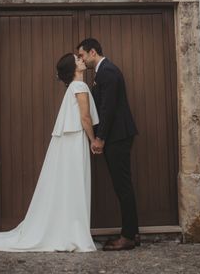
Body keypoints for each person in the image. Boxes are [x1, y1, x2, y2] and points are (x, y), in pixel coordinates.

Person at [0, 53, 99, 252]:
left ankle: (69, 229)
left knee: (68, 183)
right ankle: (74, 231)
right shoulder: (80, 87)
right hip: (76, 140)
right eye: (78, 59)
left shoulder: (72, 89)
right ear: (73, 68)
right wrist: (94, 140)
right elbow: (85, 118)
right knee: (75, 182)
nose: (82, 60)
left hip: (69, 140)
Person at [76, 38, 140, 251]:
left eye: (83, 55)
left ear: (92, 52)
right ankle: (133, 232)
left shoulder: (108, 72)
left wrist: (100, 138)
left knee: (122, 185)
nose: (82, 60)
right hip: (115, 136)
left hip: (117, 137)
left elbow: (108, 108)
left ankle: (128, 236)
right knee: (122, 184)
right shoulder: (102, 73)